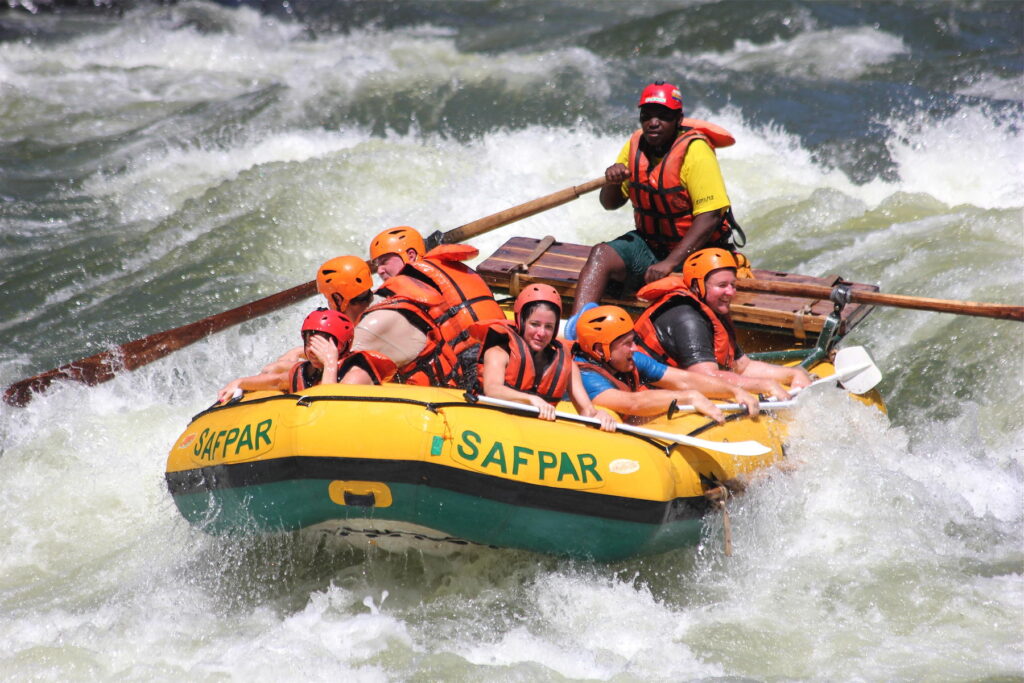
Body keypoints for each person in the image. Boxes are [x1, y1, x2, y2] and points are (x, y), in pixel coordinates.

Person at [572, 81, 742, 315]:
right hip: (650, 244)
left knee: (684, 294)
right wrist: (612, 182)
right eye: (646, 116)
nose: (653, 122)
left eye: (662, 116)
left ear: (678, 119)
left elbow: (710, 216)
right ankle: (577, 329)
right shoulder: (635, 145)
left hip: (698, 250)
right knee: (601, 254)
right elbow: (610, 203)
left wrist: (670, 263)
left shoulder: (696, 151)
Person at [633, 248, 811, 398]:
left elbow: (743, 366)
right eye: (722, 285)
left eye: (733, 285)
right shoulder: (687, 318)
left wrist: (792, 374)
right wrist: (763, 386)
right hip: (645, 393)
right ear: (697, 286)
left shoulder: (713, 310)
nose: (730, 292)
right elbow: (705, 377)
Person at [573, 305, 760, 424]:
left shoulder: (631, 360)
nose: (634, 348)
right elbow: (633, 404)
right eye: (627, 344)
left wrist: (734, 391)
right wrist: (689, 398)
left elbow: (684, 380)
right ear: (599, 350)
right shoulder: (586, 376)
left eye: (633, 341)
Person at [369, 226, 503, 389]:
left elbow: (370, 312)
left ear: (410, 255)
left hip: (471, 361)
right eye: (376, 265)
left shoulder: (409, 282)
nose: (379, 271)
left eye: (384, 262)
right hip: (504, 346)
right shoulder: (448, 266)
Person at [475, 284, 616, 431]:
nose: (541, 333)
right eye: (535, 324)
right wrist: (530, 399)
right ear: (521, 321)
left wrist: (599, 415)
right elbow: (492, 389)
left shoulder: (568, 365)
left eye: (548, 327)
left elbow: (587, 411)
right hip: (491, 425)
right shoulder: (498, 353)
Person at [217, 309, 396, 402]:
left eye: (323, 344)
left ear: (342, 346)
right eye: (309, 342)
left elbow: (329, 405)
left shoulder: (356, 373)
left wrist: (330, 364)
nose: (313, 350)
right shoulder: (306, 370)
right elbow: (276, 381)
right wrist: (239, 382)